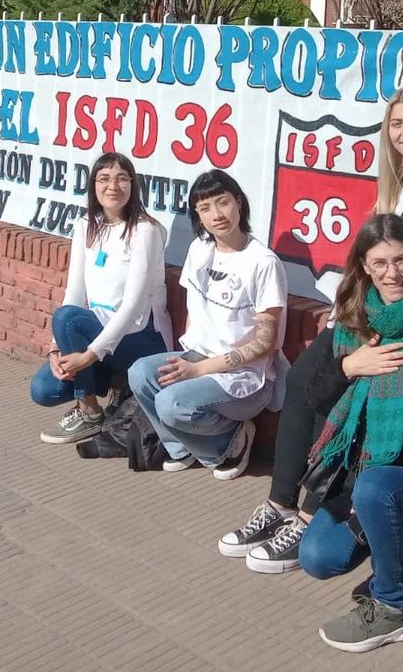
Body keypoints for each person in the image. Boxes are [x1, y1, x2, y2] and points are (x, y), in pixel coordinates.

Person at [220, 84, 403, 572]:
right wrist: (351, 309)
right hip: (379, 307)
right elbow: (381, 255)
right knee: (309, 381)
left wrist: (368, 318)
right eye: (397, 124)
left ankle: (310, 511)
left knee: (328, 388)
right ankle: (283, 504)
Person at [272, 215, 403, 654]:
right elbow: (315, 398)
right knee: (317, 558)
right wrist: (352, 367)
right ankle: (395, 550)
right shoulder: (355, 319)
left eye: (401, 260)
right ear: (364, 267)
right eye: (380, 262)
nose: (393, 273)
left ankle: (393, 608)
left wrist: (385, 477)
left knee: (376, 488)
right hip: (363, 476)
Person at [129, 170, 288, 481]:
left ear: (238, 203)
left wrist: (198, 371)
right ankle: (182, 447)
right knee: (140, 373)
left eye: (222, 202)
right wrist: (188, 360)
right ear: (198, 216)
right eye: (205, 208)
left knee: (170, 402)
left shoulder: (262, 262)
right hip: (198, 357)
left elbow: (265, 343)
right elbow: (194, 312)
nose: (216, 214)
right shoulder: (200, 249)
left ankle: (228, 445)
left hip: (246, 378)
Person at [30, 152, 171, 445]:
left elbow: (132, 307)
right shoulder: (86, 225)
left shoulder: (145, 230)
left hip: (141, 338)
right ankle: (112, 381)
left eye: (122, 178)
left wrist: (89, 355)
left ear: (133, 185)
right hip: (102, 338)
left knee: (68, 318)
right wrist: (57, 350)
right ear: (93, 185)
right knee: (43, 390)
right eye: (104, 178)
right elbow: (74, 292)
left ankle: (89, 409)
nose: (113, 186)